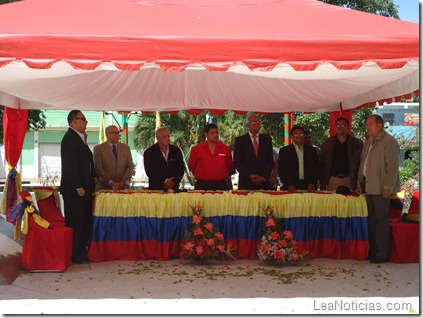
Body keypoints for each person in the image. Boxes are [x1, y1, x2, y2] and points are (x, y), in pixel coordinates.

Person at [355, 114, 400, 264]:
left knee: (381, 221)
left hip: (381, 188)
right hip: (369, 186)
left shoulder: (389, 141)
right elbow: (363, 164)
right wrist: (359, 182)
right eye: (367, 124)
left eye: (371, 124)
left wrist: (388, 187)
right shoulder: (368, 142)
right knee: (372, 221)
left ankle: (382, 253)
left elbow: (392, 167)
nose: (367, 126)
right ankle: (374, 251)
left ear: (380, 125)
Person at [60, 110, 96, 264]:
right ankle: (76, 253)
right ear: (74, 121)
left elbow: (87, 161)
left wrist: (93, 176)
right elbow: (71, 165)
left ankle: (81, 250)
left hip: (86, 188)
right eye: (83, 119)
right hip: (75, 190)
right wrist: (78, 186)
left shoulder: (80, 138)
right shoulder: (69, 139)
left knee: (84, 220)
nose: (86, 122)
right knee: (76, 222)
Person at [319, 117, 363, 192]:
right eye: (337, 125)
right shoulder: (328, 143)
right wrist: (323, 182)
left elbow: (361, 162)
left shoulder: (356, 143)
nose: (340, 127)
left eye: (343, 125)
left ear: (348, 128)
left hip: (350, 179)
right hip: (333, 179)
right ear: (335, 128)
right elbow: (322, 162)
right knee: (332, 202)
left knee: (349, 202)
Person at [233, 114, 274, 190]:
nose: (256, 124)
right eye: (253, 122)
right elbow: (237, 162)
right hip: (246, 183)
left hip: (263, 183)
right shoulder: (240, 140)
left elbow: (270, 161)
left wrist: (262, 177)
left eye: (258, 122)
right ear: (248, 124)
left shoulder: (266, 139)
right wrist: (250, 176)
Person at [188, 123, 233, 191]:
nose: (215, 135)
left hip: (221, 185)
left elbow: (229, 166)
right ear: (206, 134)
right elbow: (191, 166)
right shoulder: (196, 149)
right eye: (212, 133)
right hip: (202, 185)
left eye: (216, 132)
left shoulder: (225, 149)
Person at [278, 125, 319, 192]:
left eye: (301, 134)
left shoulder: (312, 150)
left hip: (308, 186)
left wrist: (312, 183)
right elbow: (282, 170)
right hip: (291, 187)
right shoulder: (284, 151)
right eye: (296, 134)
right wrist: (289, 184)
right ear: (291, 136)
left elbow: (316, 168)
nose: (298, 136)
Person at [143, 128, 185, 192]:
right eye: (165, 137)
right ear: (157, 138)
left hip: (174, 188)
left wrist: (173, 181)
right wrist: (164, 181)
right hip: (156, 189)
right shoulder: (149, 152)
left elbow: (181, 168)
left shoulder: (176, 151)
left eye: (168, 136)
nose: (168, 138)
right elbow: (150, 171)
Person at [93, 125, 134, 191]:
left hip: (122, 188)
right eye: (114, 133)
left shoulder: (126, 148)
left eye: (118, 133)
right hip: (105, 188)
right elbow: (98, 168)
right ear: (107, 135)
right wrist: (110, 182)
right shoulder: (98, 149)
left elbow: (130, 166)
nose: (117, 135)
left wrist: (122, 182)